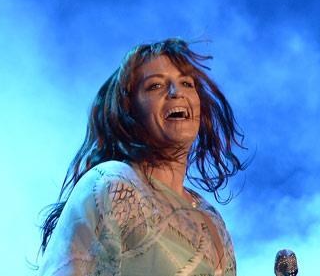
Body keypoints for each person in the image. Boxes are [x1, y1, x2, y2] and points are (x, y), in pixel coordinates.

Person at [38, 38, 247, 276]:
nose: (176, 92)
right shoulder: (111, 184)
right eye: (155, 86)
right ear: (128, 110)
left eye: (187, 83)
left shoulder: (211, 220)